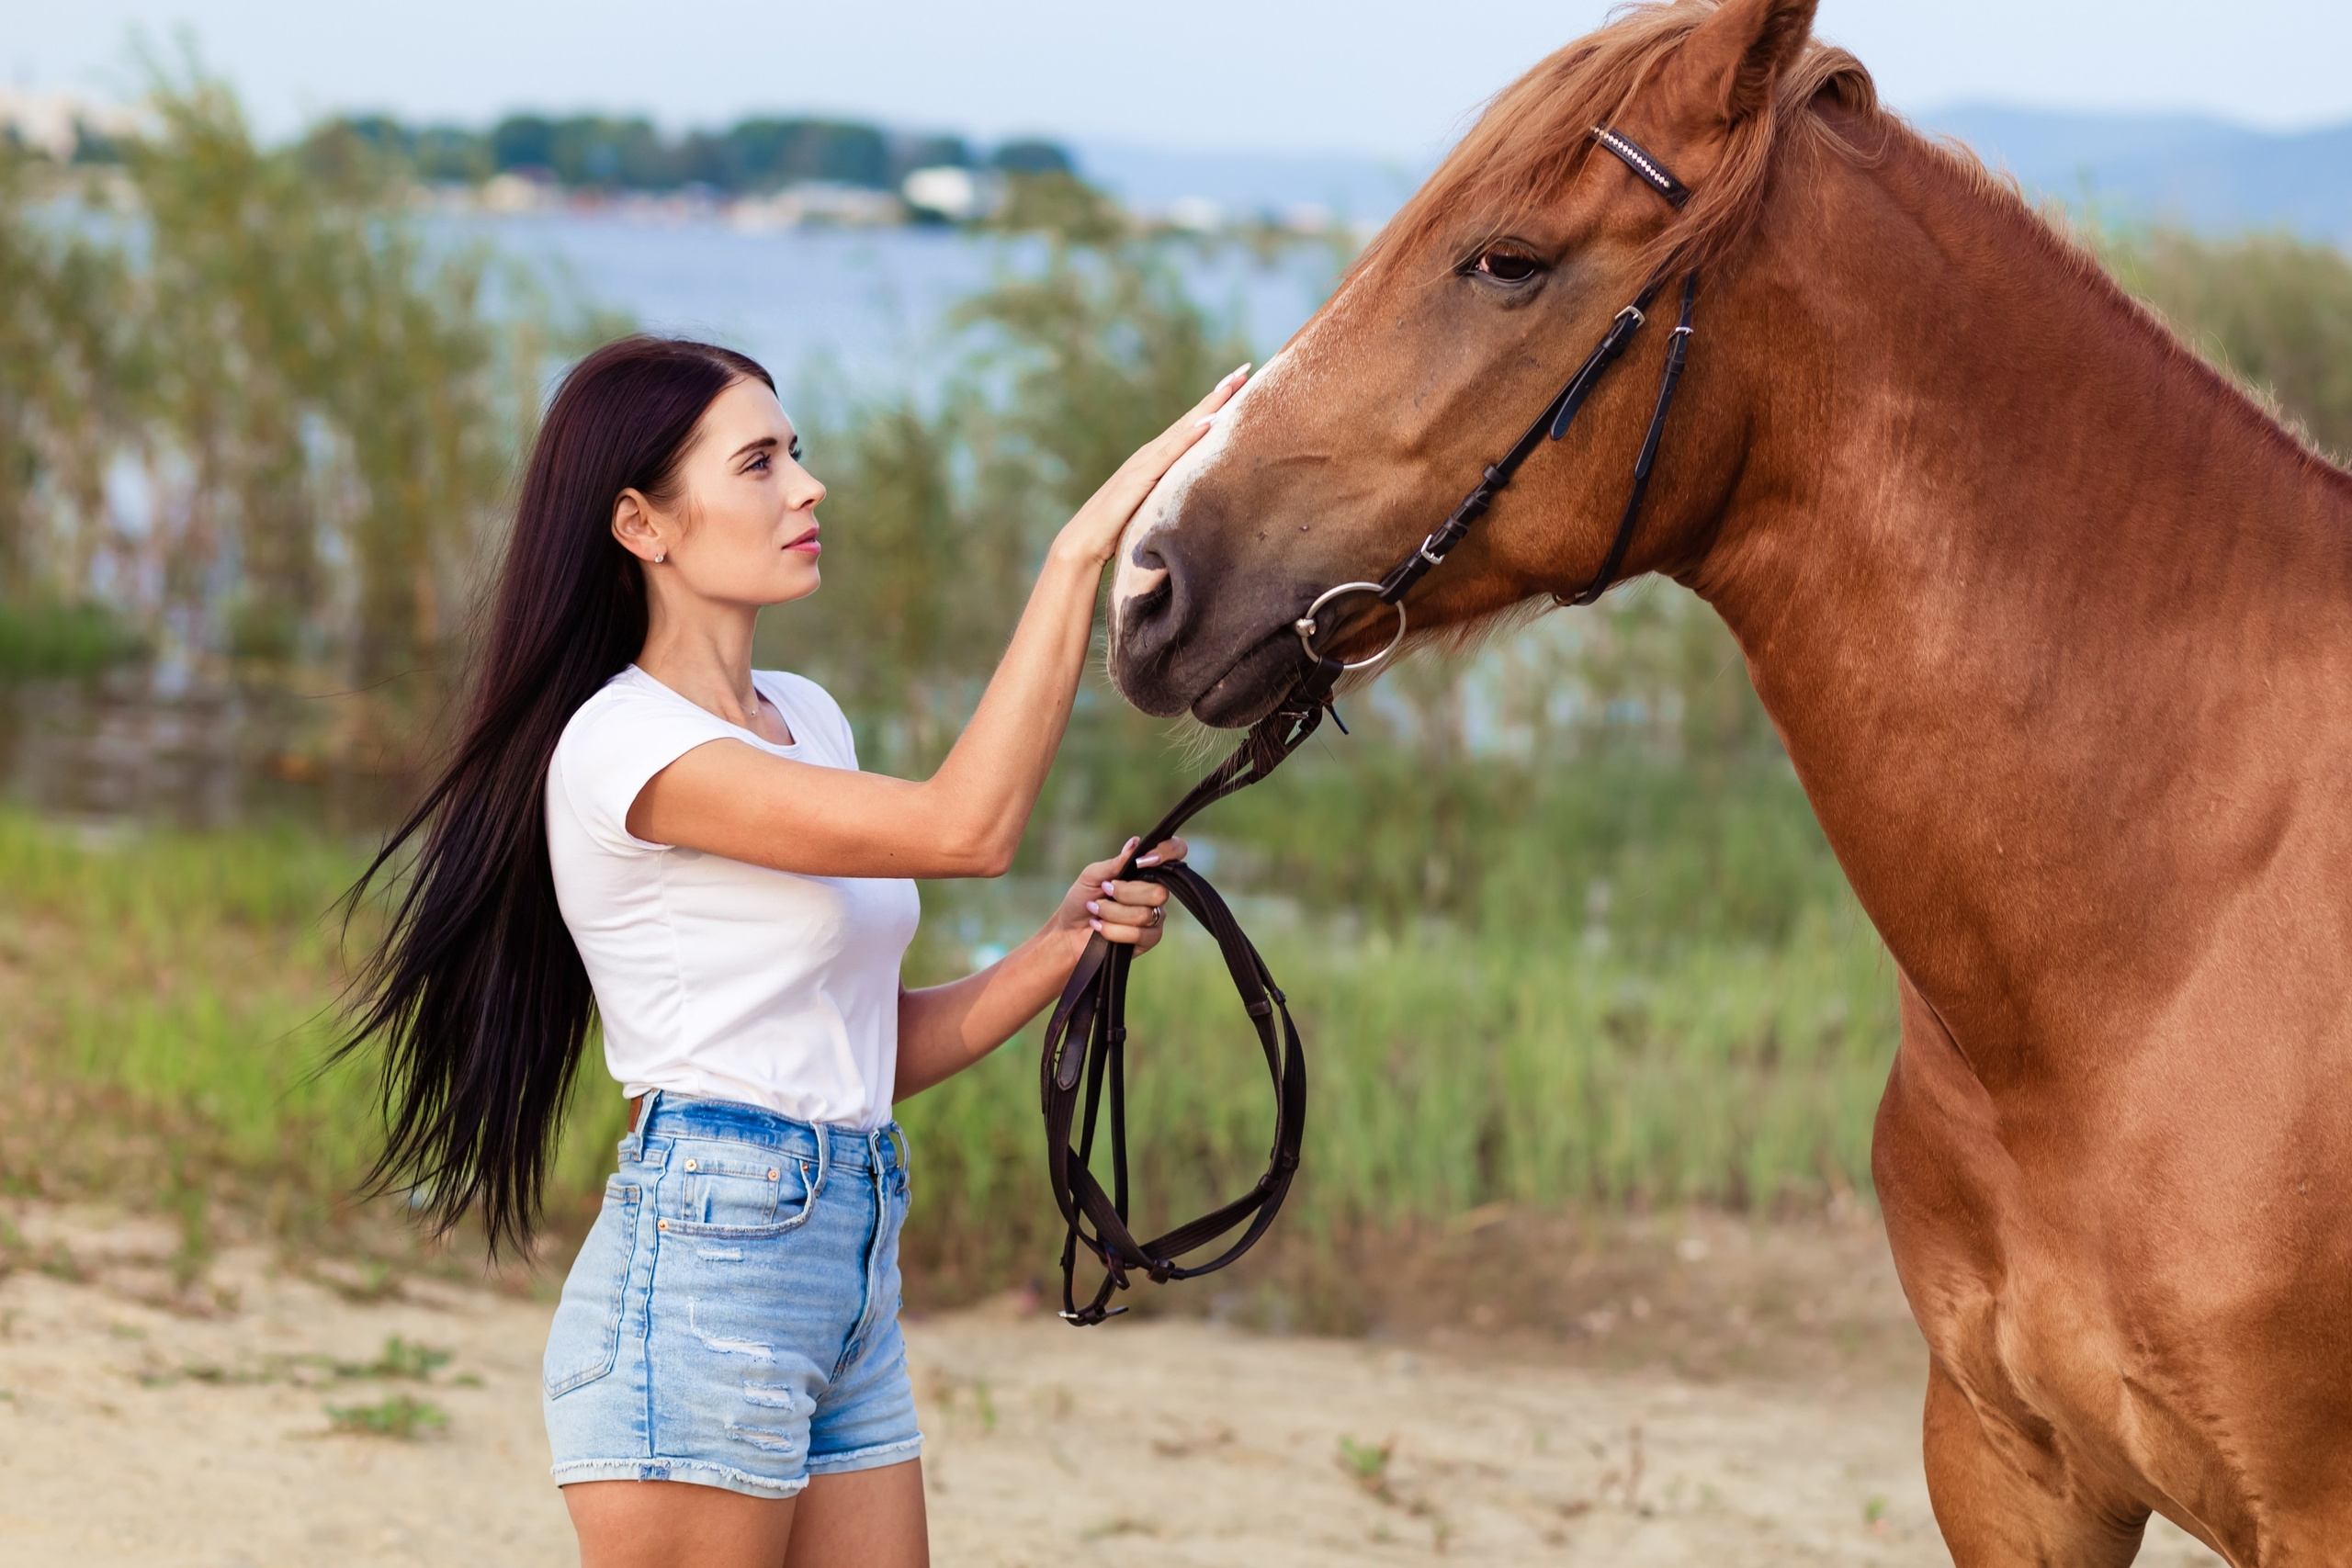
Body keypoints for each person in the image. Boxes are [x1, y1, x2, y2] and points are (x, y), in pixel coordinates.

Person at [343, 334, 1248, 1567]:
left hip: (846, 1259)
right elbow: (964, 830)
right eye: (759, 462)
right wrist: (1080, 552)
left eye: (797, 454)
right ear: (641, 525)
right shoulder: (624, 748)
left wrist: (1061, 945)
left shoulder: (807, 717)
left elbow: (862, 1051)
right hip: (711, 1274)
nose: (807, 488)